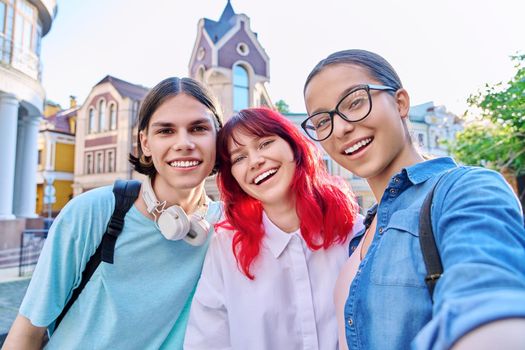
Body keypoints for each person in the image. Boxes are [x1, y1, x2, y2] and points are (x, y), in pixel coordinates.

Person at [302, 49, 525, 349]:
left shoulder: (463, 189)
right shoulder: (359, 235)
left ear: (400, 103)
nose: (340, 128)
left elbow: (488, 303)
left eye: (355, 102)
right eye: (322, 122)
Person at [3, 77, 224, 349]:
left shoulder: (227, 227)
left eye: (199, 128)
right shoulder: (91, 213)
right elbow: (29, 331)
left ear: (218, 137)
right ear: (145, 143)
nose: (183, 143)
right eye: (165, 131)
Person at [184, 108, 362, 349]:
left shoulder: (355, 229)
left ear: (294, 146)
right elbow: (206, 341)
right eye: (238, 158)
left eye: (265, 143)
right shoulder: (225, 248)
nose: (256, 161)